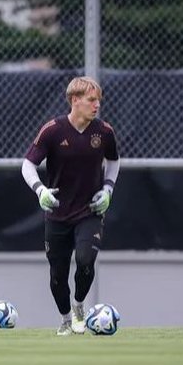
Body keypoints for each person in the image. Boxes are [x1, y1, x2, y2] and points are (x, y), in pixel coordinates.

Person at [21, 76, 120, 336]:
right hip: (57, 214)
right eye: (91, 100)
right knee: (57, 274)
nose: (97, 105)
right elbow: (27, 165)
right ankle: (66, 319)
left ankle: (79, 307)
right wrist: (40, 189)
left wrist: (108, 188)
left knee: (86, 260)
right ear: (75, 100)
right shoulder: (52, 130)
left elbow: (114, 161)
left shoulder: (104, 132)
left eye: (98, 100)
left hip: (90, 211)